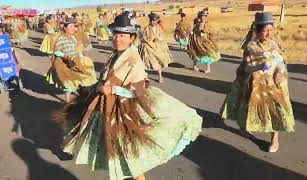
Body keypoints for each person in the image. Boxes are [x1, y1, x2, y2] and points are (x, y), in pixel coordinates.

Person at [54, 14, 202, 180]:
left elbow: (136, 91)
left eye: (123, 35)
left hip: (125, 111)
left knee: (127, 153)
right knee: (121, 152)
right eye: (116, 34)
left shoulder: (133, 59)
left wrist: (113, 89)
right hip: (109, 107)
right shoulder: (116, 54)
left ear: (132, 38)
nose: (117, 39)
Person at [220, 12, 295, 153]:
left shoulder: (275, 43)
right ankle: (246, 127)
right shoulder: (250, 47)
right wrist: (259, 67)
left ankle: (275, 138)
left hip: (274, 84)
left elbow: (281, 61)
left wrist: (280, 71)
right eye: (265, 30)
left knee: (276, 110)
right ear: (258, 30)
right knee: (249, 107)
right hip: (257, 85)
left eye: (271, 30)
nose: (269, 33)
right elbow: (245, 67)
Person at [45, 17, 97, 103]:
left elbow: (77, 49)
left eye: (74, 26)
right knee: (68, 81)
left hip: (77, 60)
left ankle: (83, 94)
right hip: (66, 62)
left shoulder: (75, 37)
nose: (73, 28)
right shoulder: (61, 37)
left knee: (83, 76)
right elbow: (57, 51)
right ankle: (67, 100)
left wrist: (82, 55)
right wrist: (64, 55)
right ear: (65, 28)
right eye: (71, 26)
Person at [140, 13, 174, 83]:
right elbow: (143, 37)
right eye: (152, 20)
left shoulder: (159, 27)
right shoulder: (146, 28)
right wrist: (147, 40)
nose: (153, 22)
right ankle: (146, 76)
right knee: (146, 61)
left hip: (157, 46)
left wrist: (158, 38)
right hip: (148, 47)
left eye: (154, 20)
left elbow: (162, 36)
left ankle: (160, 77)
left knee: (158, 62)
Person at [0, 22, 20, 90]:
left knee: (12, 64)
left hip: (7, 53)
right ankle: (1, 78)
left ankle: (11, 77)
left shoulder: (5, 35)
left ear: (0, 28)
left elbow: (9, 46)